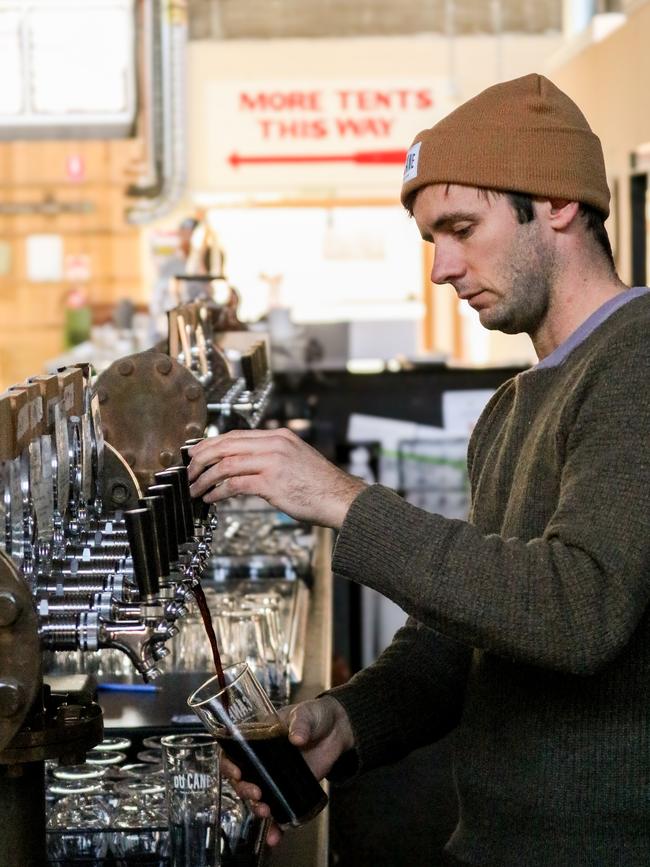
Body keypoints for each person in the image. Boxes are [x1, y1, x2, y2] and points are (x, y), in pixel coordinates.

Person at [188, 74, 650, 865]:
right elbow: (466, 639)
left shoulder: (636, 365)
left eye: (463, 228)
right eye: (435, 238)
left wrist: (344, 500)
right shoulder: (513, 406)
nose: (442, 268)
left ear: (561, 205)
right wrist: (351, 719)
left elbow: (578, 610)